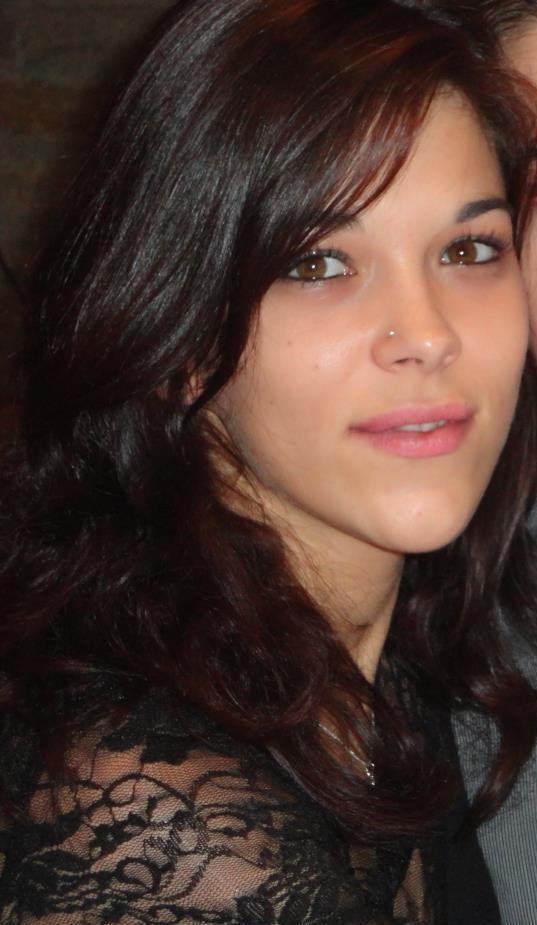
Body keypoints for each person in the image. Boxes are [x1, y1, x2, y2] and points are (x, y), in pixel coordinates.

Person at [0, 1, 536, 922]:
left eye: (467, 248)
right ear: (179, 335)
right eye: (318, 263)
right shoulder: (160, 823)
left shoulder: (402, 665)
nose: (426, 334)